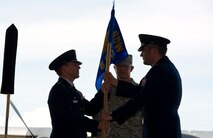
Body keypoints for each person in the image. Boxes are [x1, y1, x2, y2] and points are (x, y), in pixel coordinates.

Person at [102, 34, 182, 138]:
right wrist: (114, 82)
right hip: (162, 129)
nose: (141, 55)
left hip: (161, 131)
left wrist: (112, 115)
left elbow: (140, 98)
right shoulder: (163, 68)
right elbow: (138, 91)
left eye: (143, 51)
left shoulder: (160, 71)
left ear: (153, 51)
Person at [47, 49, 107, 138]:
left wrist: (103, 92)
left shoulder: (72, 91)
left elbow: (91, 109)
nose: (79, 67)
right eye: (75, 64)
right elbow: (70, 118)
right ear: (64, 68)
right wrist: (96, 125)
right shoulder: (59, 90)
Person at [92, 55, 143, 138]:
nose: (121, 69)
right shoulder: (106, 88)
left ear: (132, 68)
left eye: (125, 66)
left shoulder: (138, 90)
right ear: (114, 67)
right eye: (118, 66)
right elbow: (94, 110)